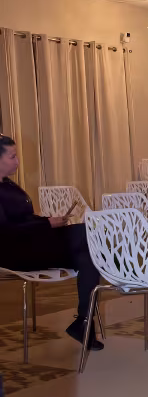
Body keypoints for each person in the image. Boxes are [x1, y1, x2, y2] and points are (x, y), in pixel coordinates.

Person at [0, 134, 103, 350]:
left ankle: (84, 322)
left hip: (31, 243)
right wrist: (47, 224)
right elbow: (6, 231)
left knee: (89, 255)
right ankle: (124, 269)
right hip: (14, 252)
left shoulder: (8, 185)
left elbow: (24, 220)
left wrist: (47, 221)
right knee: (85, 233)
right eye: (12, 156)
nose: (17, 161)